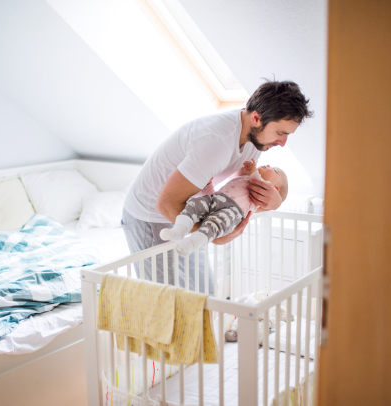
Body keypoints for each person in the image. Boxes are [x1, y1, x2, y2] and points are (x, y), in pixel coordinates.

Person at [121, 80, 312, 292]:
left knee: (204, 294)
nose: (284, 143)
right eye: (280, 133)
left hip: (190, 210)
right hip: (151, 215)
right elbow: (165, 204)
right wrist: (215, 236)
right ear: (257, 118)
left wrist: (273, 202)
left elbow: (241, 189)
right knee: (166, 303)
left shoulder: (254, 141)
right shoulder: (216, 141)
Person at [160, 159, 288, 257]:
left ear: (274, 190)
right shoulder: (245, 179)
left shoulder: (260, 197)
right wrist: (209, 185)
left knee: (212, 226)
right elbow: (221, 192)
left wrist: (253, 170)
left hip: (232, 212)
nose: (268, 165)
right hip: (217, 199)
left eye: (274, 170)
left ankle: (191, 244)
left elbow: (258, 181)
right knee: (194, 206)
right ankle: (179, 229)